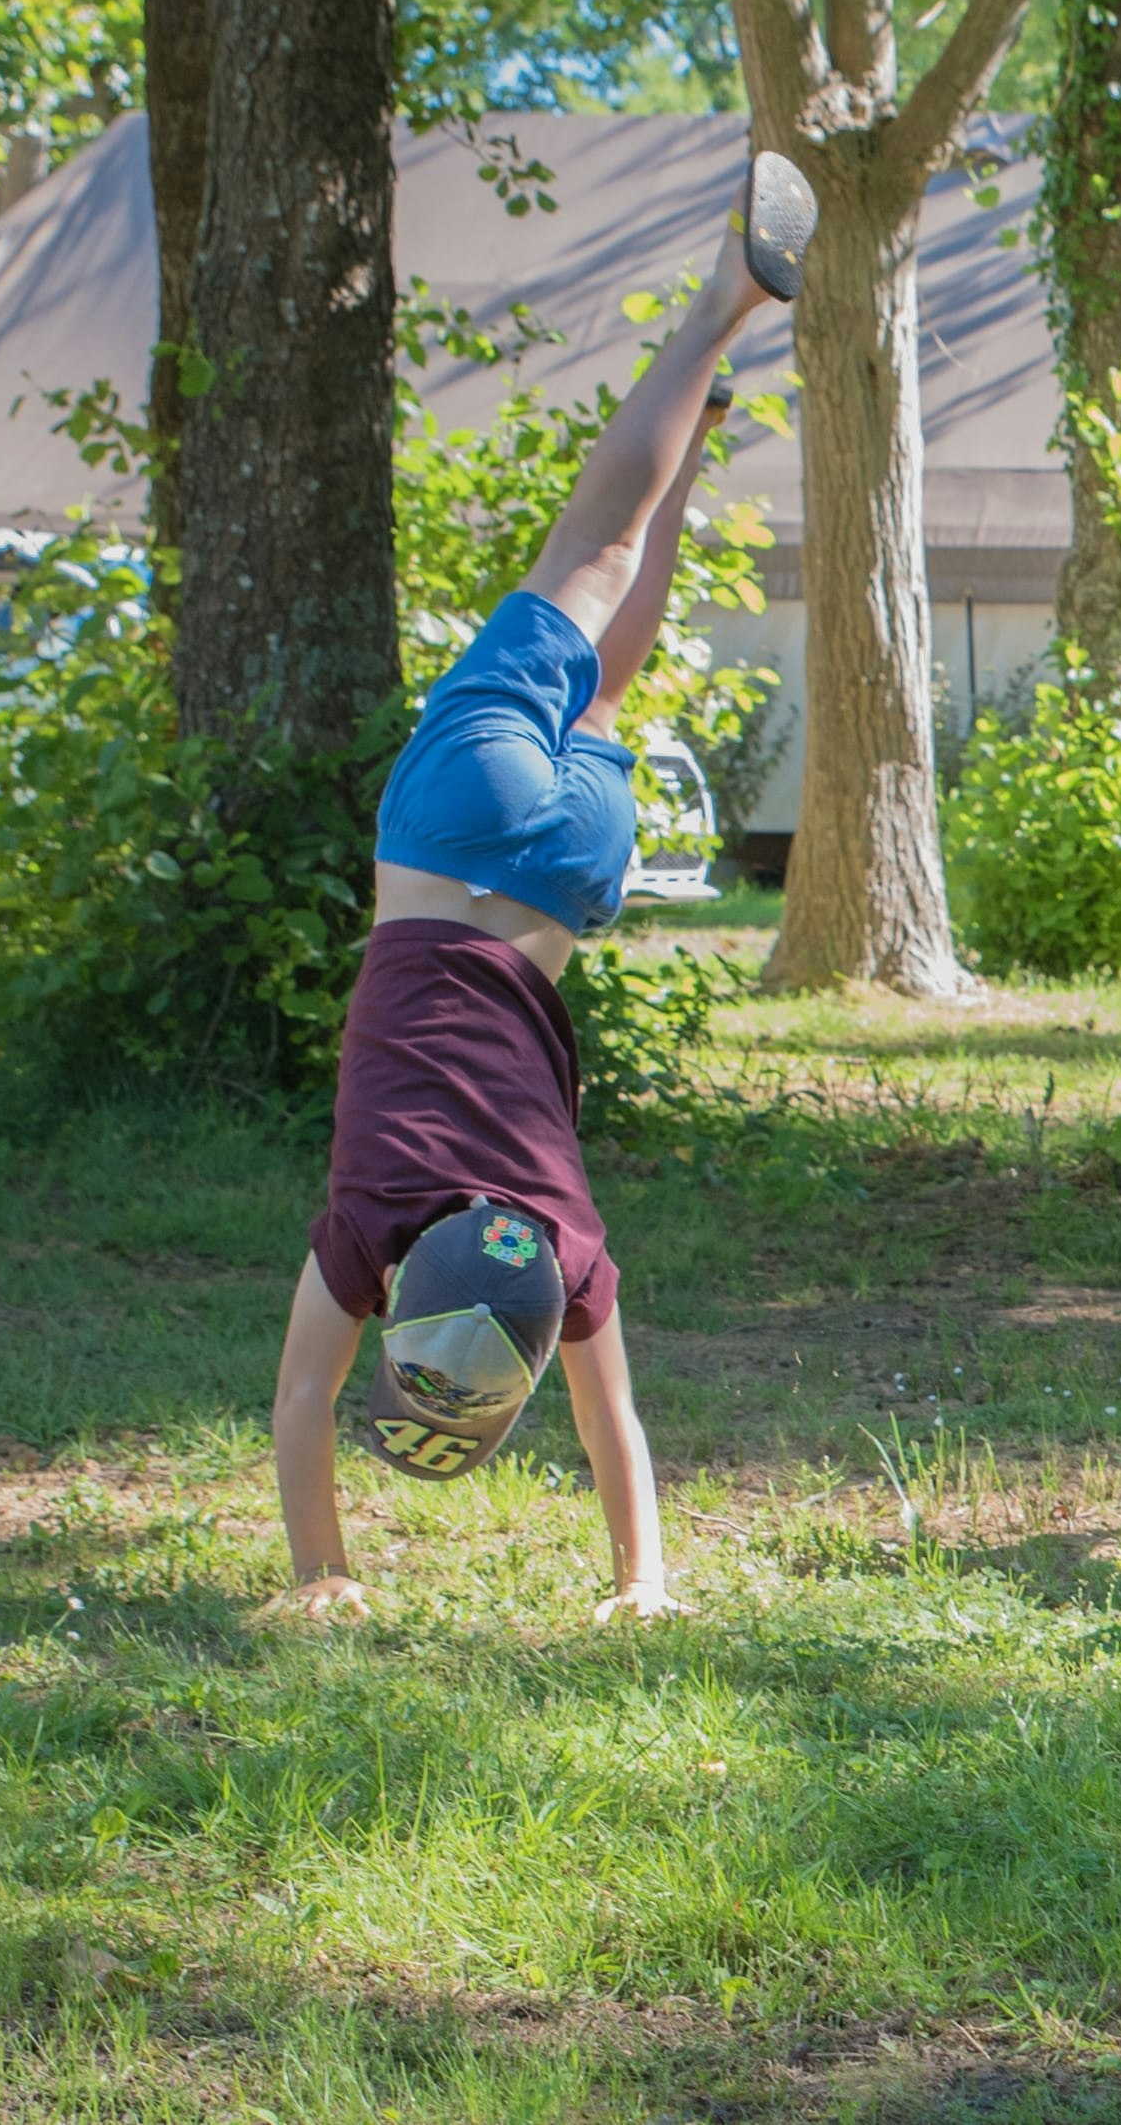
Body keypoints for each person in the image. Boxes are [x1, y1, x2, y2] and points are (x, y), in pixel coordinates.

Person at [265, 152, 809, 1623]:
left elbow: (606, 1428)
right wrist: (316, 1565)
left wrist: (647, 1575)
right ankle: (713, 320)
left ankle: (705, 385)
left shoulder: (568, 1254)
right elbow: (302, 1402)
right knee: (590, 557)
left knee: (611, 657)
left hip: (574, 873)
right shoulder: (374, 1223)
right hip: (448, 849)